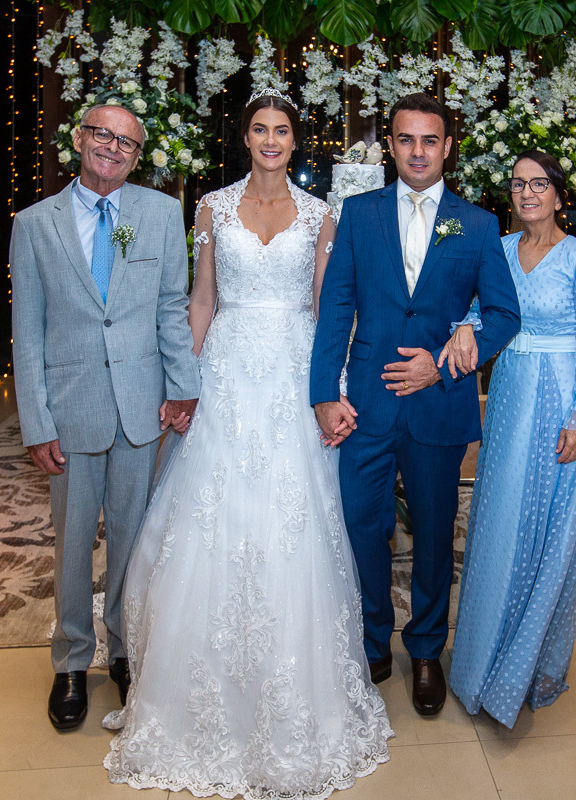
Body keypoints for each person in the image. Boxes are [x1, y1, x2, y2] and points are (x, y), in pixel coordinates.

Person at [102, 88, 393, 799]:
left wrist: (332, 388)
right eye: (259, 129)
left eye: (281, 130)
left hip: (293, 373)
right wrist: (184, 382)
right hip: (228, 371)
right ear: (245, 137)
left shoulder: (322, 215)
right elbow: (202, 299)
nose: (270, 140)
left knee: (292, 523)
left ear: (295, 142)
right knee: (214, 518)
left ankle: (297, 696)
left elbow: (326, 308)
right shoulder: (210, 208)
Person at [310, 93, 521, 716]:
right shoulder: (359, 213)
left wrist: (450, 357)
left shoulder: (476, 224)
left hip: (439, 405)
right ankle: (373, 638)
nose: (418, 152)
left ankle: (426, 649)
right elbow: (336, 308)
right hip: (366, 405)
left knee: (432, 532)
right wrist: (323, 394)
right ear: (390, 146)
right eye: (406, 140)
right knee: (362, 525)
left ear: (447, 147)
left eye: (430, 140)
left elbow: (504, 314)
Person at [10, 102, 200, 730]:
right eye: (103, 135)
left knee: (132, 537)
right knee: (71, 544)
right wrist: (36, 421)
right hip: (71, 409)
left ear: (138, 156)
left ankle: (123, 648)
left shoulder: (160, 213)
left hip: (142, 406)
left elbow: (171, 306)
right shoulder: (34, 225)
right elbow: (27, 332)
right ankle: (70, 659)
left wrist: (185, 386)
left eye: (127, 142)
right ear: (79, 138)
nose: (113, 148)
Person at [442, 149, 576, 727]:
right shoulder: (501, 248)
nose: (527, 193)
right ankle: (482, 659)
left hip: (559, 397)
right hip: (511, 389)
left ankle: (527, 668)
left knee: (548, 531)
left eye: (539, 184)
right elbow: (477, 308)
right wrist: (466, 325)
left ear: (559, 195)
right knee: (499, 518)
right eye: (518, 184)